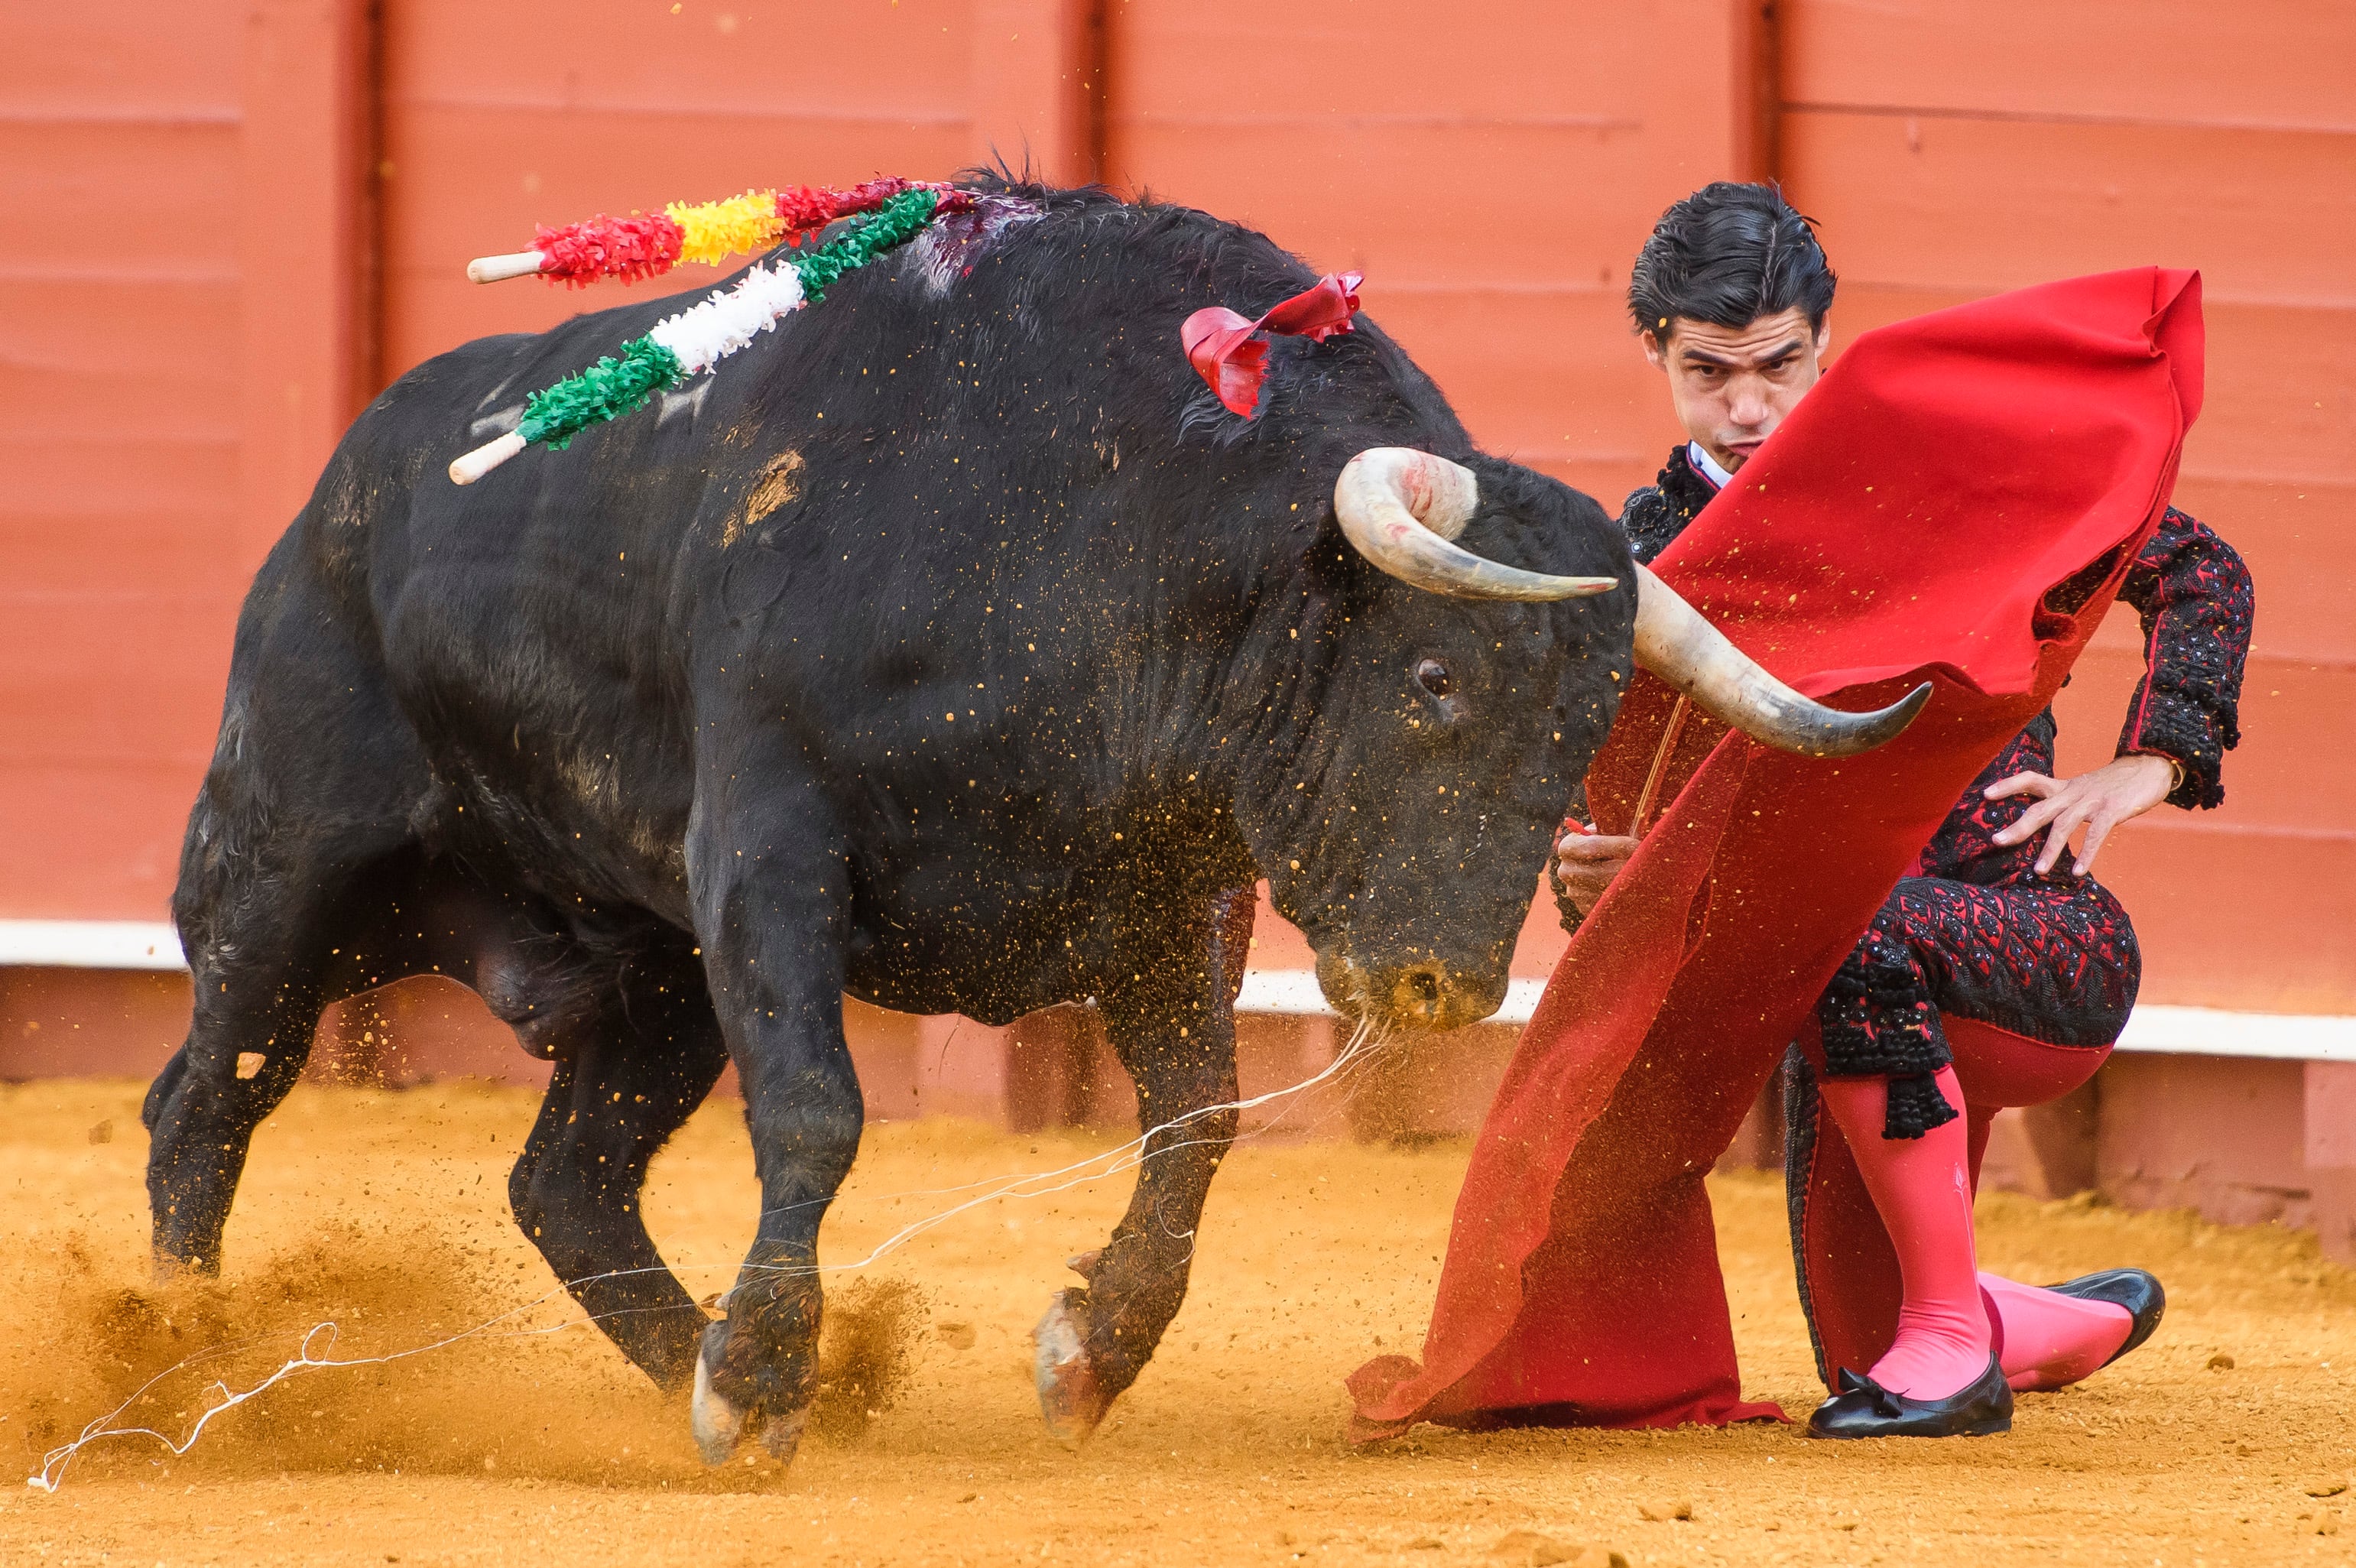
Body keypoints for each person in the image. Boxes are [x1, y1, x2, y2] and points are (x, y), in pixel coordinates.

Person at [1553, 183, 2254, 1437]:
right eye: (1710, 372)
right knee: (1853, 1356)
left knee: (1836, 927)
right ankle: (2019, 1320)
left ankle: (1954, 1335)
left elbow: (2194, 570)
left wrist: (2149, 764)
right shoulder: (1645, 560)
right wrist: (1591, 878)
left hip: (2033, 951)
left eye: (1778, 364)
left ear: (1825, 338)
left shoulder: (1945, 470)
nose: (1750, 406)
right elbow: (1613, 811)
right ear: (1654, 351)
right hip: (1852, 1000)